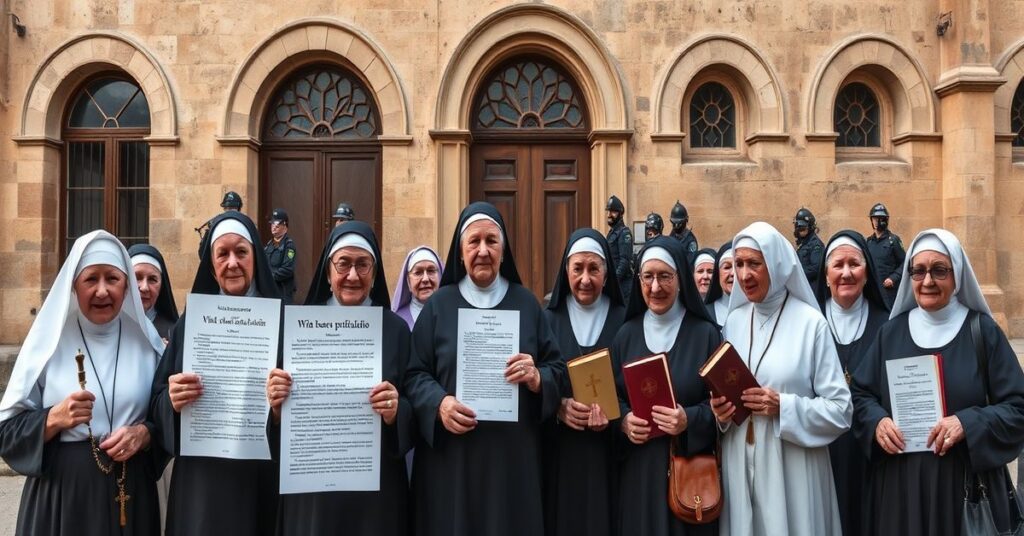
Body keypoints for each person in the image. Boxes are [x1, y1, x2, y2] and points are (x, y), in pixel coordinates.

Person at [403, 202, 566, 536]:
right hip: (452, 461)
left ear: (503, 252)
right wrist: (439, 403)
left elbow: (558, 369)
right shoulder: (438, 305)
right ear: (460, 253)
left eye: (491, 241)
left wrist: (537, 378)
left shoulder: (526, 303)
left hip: (512, 462)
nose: (482, 251)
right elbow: (414, 373)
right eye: (473, 242)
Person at [852, 229, 1024, 536]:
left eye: (939, 270)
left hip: (964, 489)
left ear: (956, 274)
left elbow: (1018, 409)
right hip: (901, 489)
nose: (927, 281)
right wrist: (878, 422)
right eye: (918, 271)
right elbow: (861, 395)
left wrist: (967, 423)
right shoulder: (891, 335)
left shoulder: (982, 332)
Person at [0, 230, 167, 535]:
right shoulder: (48, 343)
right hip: (62, 499)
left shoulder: (148, 343)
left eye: (112, 279)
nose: (102, 291)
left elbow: (165, 419)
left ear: (126, 284)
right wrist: (52, 419)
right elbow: (6, 432)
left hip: (130, 496)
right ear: (74, 285)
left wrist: (144, 434)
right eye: (91, 279)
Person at [267, 221, 414, 535]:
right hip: (313, 493)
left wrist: (396, 411)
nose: (352, 275)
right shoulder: (298, 328)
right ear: (328, 272)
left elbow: (415, 404)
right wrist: (277, 409)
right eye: (343, 263)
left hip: (377, 493)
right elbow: (278, 421)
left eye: (363, 265)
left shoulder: (396, 330)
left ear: (375, 274)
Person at [710, 221, 851, 536]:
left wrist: (783, 406)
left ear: (775, 264)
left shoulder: (811, 324)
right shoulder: (733, 322)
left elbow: (842, 411)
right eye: (738, 263)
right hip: (738, 463)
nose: (743, 274)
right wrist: (720, 413)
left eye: (754, 264)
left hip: (793, 470)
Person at [150, 212, 281, 536]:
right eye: (222, 254)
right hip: (202, 482)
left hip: (262, 476)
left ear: (256, 259)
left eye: (241, 252)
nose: (232, 263)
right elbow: (155, 402)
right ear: (210, 265)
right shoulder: (189, 325)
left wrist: (280, 410)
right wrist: (172, 400)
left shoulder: (283, 324)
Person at [613, 236, 722, 536]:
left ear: (680, 279)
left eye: (665, 276)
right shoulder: (626, 335)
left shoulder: (705, 334)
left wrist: (689, 418)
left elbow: (724, 408)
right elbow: (612, 399)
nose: (655, 287)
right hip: (639, 474)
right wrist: (623, 421)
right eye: (647, 277)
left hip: (691, 476)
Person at [542, 229, 626, 536]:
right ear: (566, 272)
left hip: (610, 456)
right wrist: (557, 406)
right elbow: (536, 382)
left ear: (607, 273)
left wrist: (616, 415)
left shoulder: (625, 321)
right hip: (561, 455)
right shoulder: (547, 320)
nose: (586, 279)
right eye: (578, 269)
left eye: (594, 269)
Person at [813, 230, 890, 536]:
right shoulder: (809, 321)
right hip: (821, 450)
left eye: (854, 264)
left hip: (871, 453)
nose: (846, 273)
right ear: (826, 273)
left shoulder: (888, 325)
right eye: (838, 265)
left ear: (867, 271)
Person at [128, 243, 179, 341]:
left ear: (161, 286)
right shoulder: (109, 327)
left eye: (152, 279)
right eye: (137, 278)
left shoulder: (175, 333)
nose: (144, 287)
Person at [392, 245, 444, 329]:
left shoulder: (451, 316)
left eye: (431, 271)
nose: (425, 279)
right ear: (408, 281)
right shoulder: (396, 321)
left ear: (440, 276)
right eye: (418, 272)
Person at [865, 203, 905, 308]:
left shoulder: (893, 241)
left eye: (880, 218)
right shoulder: (868, 242)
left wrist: (893, 278)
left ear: (886, 220)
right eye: (875, 218)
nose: (877, 221)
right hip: (872, 290)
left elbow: (905, 263)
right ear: (871, 221)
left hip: (888, 292)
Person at [194, 191, 244, 256]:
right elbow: (203, 254)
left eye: (232, 208)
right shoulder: (215, 225)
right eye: (227, 208)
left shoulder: (245, 226)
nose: (230, 211)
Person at [605, 195, 635, 306]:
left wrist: (614, 281)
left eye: (613, 212)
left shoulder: (624, 233)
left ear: (620, 214)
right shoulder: (611, 233)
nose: (609, 215)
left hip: (623, 286)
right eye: (608, 211)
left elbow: (625, 262)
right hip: (616, 285)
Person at [264, 208, 297, 304]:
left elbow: (288, 269)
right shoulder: (269, 244)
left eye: (277, 224)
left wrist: (270, 277)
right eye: (272, 224)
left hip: (283, 291)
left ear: (285, 226)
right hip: (270, 291)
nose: (274, 227)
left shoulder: (289, 245)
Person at [703, 242, 734, 327]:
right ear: (717, 273)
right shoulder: (704, 315)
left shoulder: (758, 311)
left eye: (738, 266)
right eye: (727, 267)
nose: (733, 273)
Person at [793, 207, 825, 289]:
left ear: (810, 227)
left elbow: (815, 269)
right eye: (798, 227)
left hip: (811, 289)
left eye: (803, 227)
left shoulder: (816, 245)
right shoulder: (803, 243)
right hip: (802, 286)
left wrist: (796, 274)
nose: (800, 230)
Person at [668, 200, 699, 265]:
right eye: (674, 224)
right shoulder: (673, 234)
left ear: (685, 221)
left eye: (679, 224)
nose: (676, 227)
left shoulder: (690, 241)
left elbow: (690, 262)